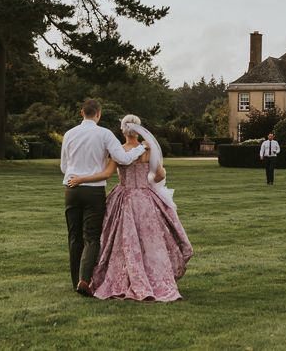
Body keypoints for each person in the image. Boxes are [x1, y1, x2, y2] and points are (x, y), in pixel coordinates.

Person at [68, 115, 193, 301]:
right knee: (150, 240)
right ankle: (153, 276)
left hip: (123, 197)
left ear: (122, 130)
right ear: (139, 129)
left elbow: (107, 173)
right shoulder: (148, 150)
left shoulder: (119, 152)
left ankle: (122, 277)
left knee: (121, 241)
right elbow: (159, 175)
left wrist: (81, 179)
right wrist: (149, 179)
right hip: (145, 197)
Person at [60, 99, 148, 296]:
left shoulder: (69, 134)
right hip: (93, 191)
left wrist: (76, 174)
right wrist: (142, 147)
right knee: (91, 237)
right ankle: (85, 280)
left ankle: (75, 280)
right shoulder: (104, 134)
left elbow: (64, 167)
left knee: (74, 237)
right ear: (98, 114)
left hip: (72, 189)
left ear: (82, 112)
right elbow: (124, 159)